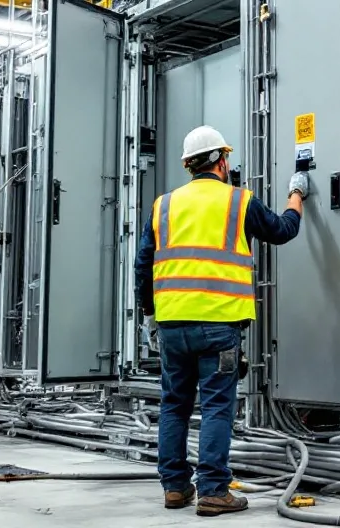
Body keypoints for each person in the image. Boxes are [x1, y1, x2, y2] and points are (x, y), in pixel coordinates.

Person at [134, 126, 309, 517]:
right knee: (216, 407)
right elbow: (283, 230)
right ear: (223, 161)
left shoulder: (163, 205)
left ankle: (176, 488)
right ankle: (213, 490)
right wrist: (297, 194)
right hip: (218, 328)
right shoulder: (239, 201)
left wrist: (149, 313)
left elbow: (142, 265)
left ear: (187, 165)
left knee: (174, 406)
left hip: (172, 325)